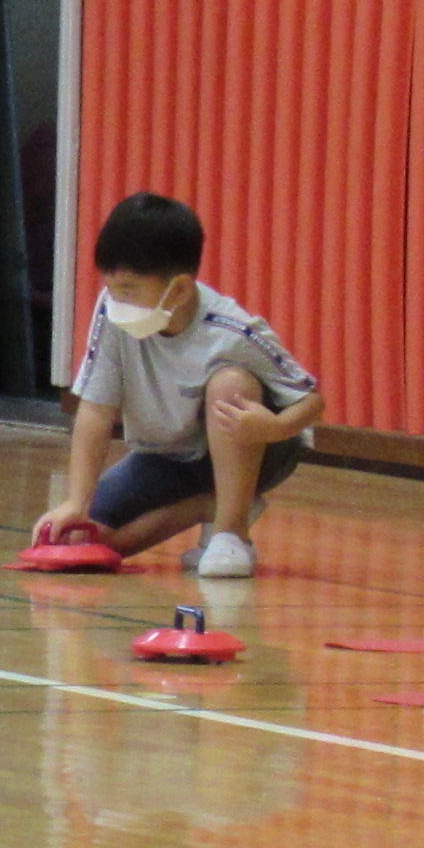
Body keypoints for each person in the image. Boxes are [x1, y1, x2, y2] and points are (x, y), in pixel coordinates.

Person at [31, 190, 322, 578]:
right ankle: (207, 507)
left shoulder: (231, 330)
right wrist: (76, 502)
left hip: (255, 447)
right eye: (112, 288)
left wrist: (275, 427)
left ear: (181, 289)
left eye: (130, 291)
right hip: (166, 457)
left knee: (229, 383)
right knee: (83, 547)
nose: (117, 301)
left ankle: (230, 531)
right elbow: (96, 409)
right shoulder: (112, 313)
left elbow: (312, 400)